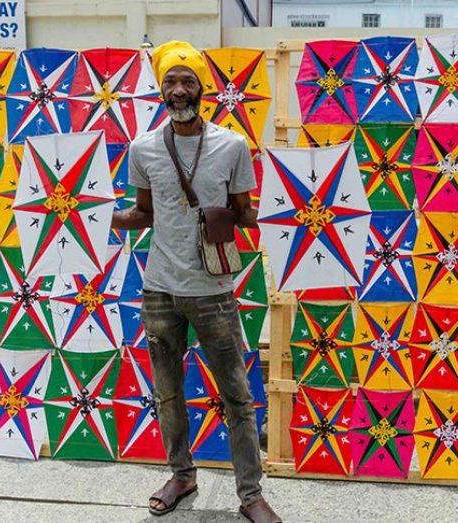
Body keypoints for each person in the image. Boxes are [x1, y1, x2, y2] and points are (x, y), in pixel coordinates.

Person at [111, 41, 281, 523]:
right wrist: (91, 215)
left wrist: (292, 218)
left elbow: (247, 213)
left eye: (188, 81)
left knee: (237, 396)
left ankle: (250, 494)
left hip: (214, 293)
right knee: (167, 391)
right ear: (160, 89)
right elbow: (143, 214)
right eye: (170, 81)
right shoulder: (143, 148)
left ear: (204, 89)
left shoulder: (232, 146)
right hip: (159, 290)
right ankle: (182, 475)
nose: (179, 90)